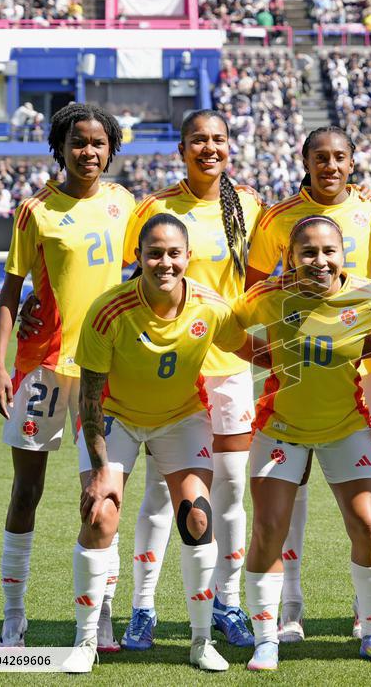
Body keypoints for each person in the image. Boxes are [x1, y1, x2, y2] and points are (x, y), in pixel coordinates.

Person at [63, 213, 252, 673]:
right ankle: (85, 641)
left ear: (189, 257)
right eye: (154, 253)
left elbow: (255, 350)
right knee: (100, 512)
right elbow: (90, 398)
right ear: (139, 257)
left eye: (173, 253)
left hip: (180, 419)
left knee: (198, 517)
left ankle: (201, 641)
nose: (164, 262)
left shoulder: (210, 305)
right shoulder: (110, 310)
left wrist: (317, 343)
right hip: (117, 418)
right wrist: (100, 469)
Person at [0, 104, 133, 650]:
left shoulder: (125, 204)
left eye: (98, 143)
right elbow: (11, 291)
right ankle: (13, 616)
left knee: (101, 495)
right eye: (78, 142)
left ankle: (104, 614)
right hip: (43, 368)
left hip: (104, 370)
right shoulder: (36, 211)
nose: (88, 152)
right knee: (27, 490)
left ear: (111, 149)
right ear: (59, 146)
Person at [118, 109, 264, 650]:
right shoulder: (154, 208)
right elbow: (126, 287)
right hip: (169, 370)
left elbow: (262, 280)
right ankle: (144, 608)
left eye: (219, 140)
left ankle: (227, 603)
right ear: (181, 148)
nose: (210, 148)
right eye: (198, 140)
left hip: (229, 371)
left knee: (228, 494)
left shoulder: (248, 204)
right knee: (160, 496)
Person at [244, 126, 371, 643]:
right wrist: (271, 353)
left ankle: (364, 610)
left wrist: (356, 346)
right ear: (305, 160)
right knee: (291, 492)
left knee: (360, 501)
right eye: (320, 157)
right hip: (292, 372)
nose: (330, 165)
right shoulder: (277, 217)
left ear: (353, 163)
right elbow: (254, 291)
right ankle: (289, 607)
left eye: (340, 157)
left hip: (356, 376)